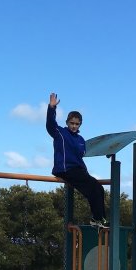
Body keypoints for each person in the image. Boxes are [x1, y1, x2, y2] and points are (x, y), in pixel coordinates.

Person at [46, 92, 107, 224]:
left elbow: (80, 156)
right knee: (93, 187)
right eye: (72, 123)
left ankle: (100, 218)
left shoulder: (80, 140)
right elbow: (50, 124)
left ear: (80, 124)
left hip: (78, 170)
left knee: (98, 188)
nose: (74, 126)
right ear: (67, 122)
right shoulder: (60, 133)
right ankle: (97, 219)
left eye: (77, 124)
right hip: (65, 169)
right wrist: (52, 108)